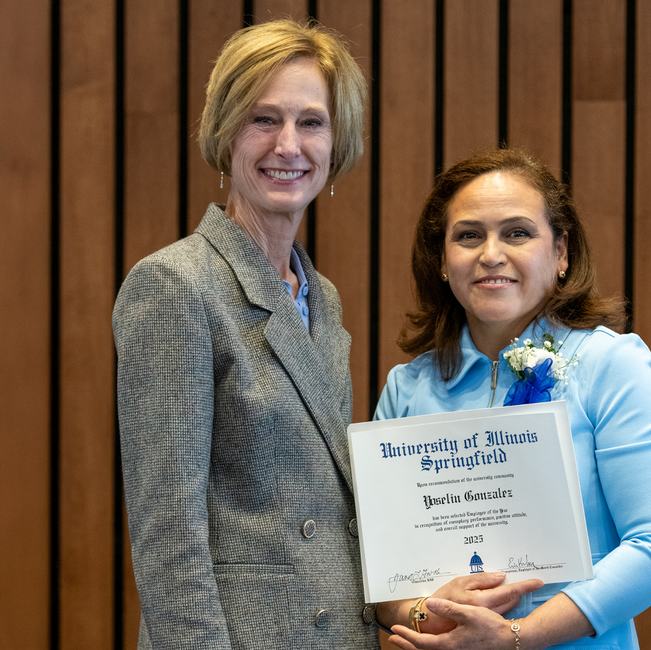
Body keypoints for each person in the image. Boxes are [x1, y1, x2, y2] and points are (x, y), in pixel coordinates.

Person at [113, 19, 375, 648]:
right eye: (264, 119)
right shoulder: (176, 284)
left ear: (336, 147)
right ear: (225, 132)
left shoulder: (323, 298)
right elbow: (167, 539)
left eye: (311, 123)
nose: (289, 145)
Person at [373, 149, 651, 650]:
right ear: (441, 259)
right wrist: (422, 613)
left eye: (517, 233)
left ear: (561, 251)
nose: (491, 254)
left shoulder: (609, 366)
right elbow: (381, 572)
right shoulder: (406, 388)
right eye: (468, 235)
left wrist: (516, 637)